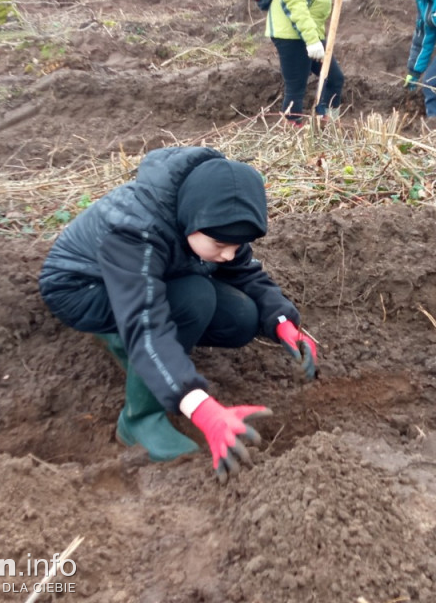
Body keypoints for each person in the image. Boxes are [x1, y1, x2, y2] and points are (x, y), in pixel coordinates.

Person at [38, 146, 320, 482]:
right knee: (192, 298)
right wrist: (200, 407)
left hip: (146, 280)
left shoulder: (210, 211)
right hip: (84, 289)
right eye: (220, 246)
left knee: (242, 317)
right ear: (193, 218)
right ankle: (140, 419)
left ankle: (152, 357)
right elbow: (146, 322)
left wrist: (283, 321)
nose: (229, 255)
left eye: (236, 245)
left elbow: (246, 272)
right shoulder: (136, 230)